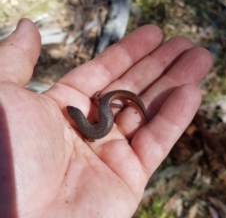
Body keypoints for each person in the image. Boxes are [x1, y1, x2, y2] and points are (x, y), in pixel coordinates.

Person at [0, 18, 212, 217]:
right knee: (105, 105)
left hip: (105, 117)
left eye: (72, 112)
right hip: (105, 116)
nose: (71, 112)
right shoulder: (87, 126)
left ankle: (113, 102)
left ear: (79, 117)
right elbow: (91, 135)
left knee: (106, 106)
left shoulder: (86, 128)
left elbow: (91, 136)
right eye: (72, 112)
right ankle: (111, 102)